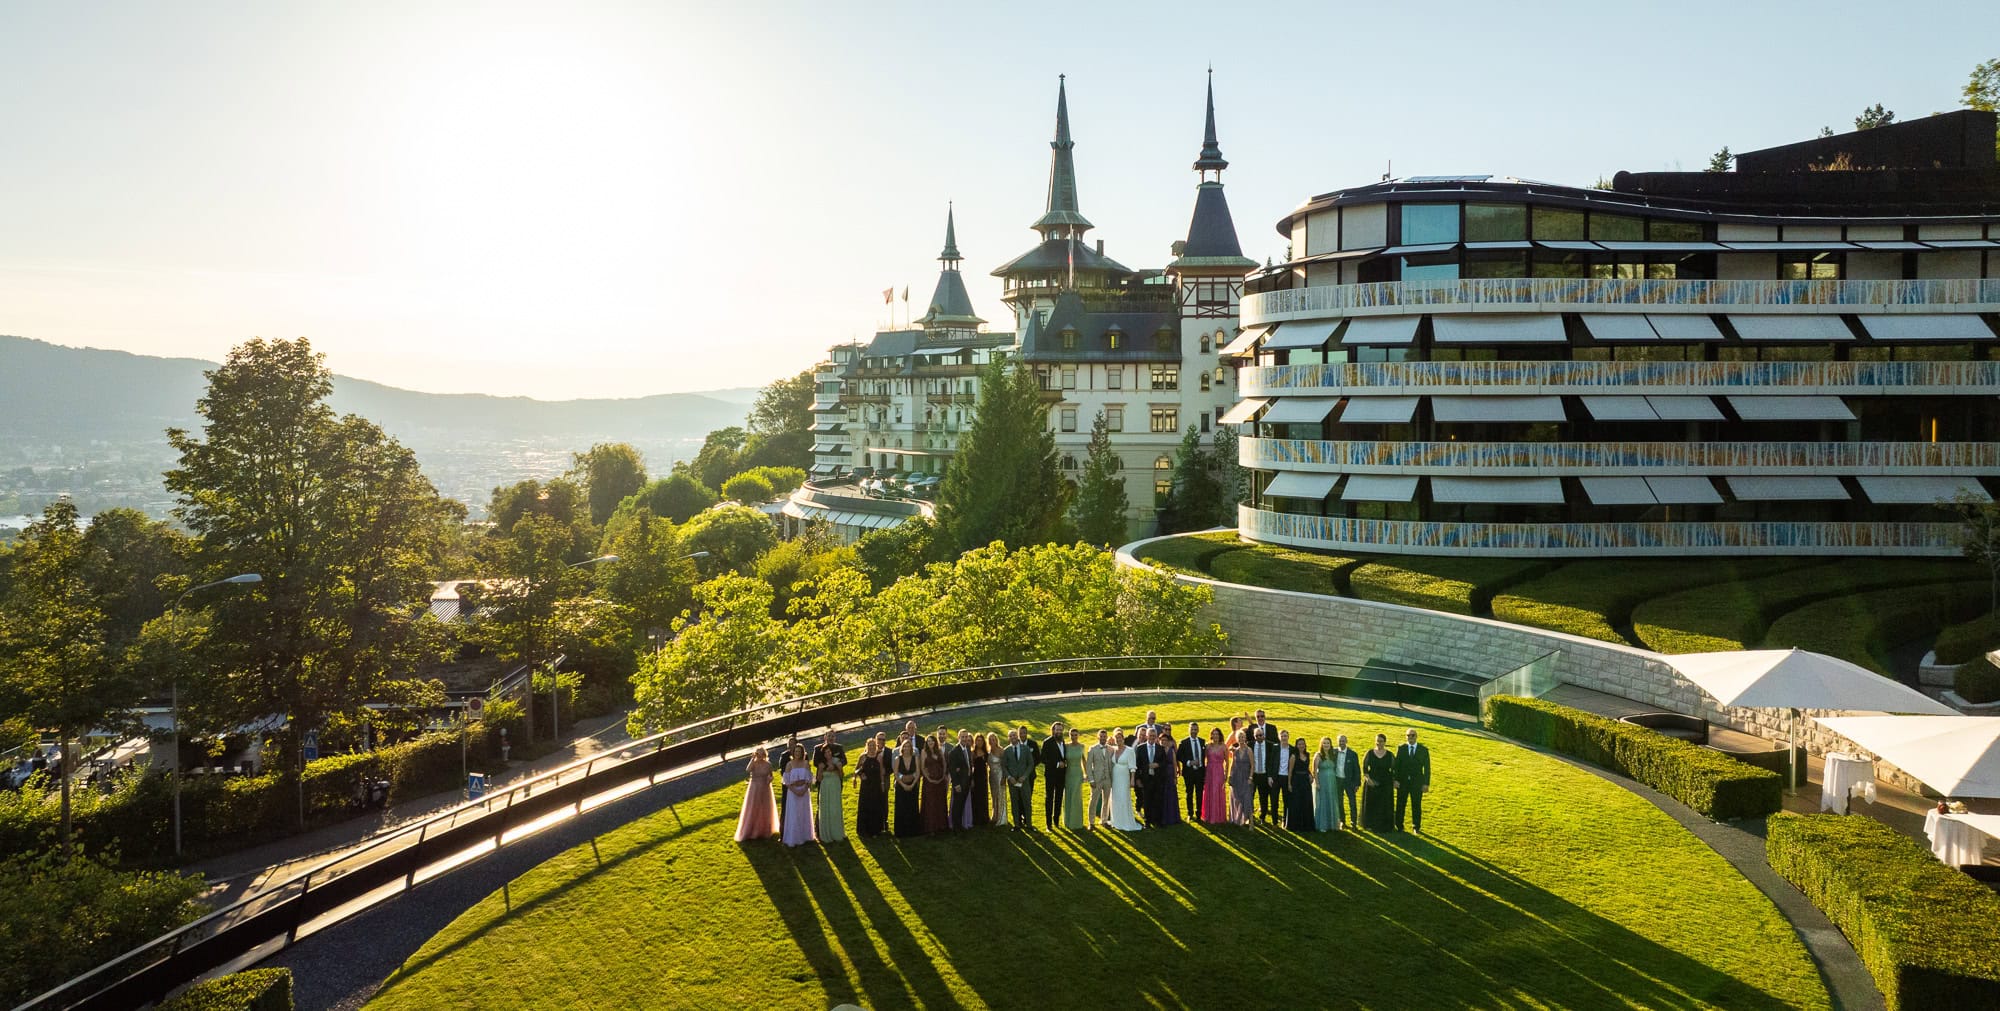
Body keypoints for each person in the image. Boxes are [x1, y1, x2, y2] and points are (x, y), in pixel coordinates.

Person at [735, 746, 779, 842]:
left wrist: (769, 780)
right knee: (753, 807)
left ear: (764, 755)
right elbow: (748, 770)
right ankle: (751, 830)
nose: (759, 756)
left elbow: (771, 775)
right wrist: (752, 759)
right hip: (754, 788)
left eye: (761, 754)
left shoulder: (768, 764)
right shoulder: (753, 763)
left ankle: (764, 830)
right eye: (757, 754)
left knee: (764, 808)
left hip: (765, 788)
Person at [1396, 728, 1432, 833]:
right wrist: (1396, 780)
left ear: (1416, 737)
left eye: (1412, 735)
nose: (1410, 737)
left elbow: (1427, 768)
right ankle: (1399, 825)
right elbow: (1397, 766)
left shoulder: (1423, 750)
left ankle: (1416, 826)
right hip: (1402, 782)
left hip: (1417, 783)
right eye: (1408, 735)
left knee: (1416, 805)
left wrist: (1426, 783)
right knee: (1401, 804)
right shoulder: (1401, 748)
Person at [814, 730, 847, 843]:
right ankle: (820, 831)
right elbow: (815, 762)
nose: (831, 738)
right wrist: (823, 767)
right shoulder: (818, 748)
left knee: (835, 807)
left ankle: (836, 830)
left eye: (833, 736)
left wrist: (837, 766)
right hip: (824, 782)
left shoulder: (839, 748)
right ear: (825, 737)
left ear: (835, 737)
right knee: (822, 807)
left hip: (835, 782)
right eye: (829, 736)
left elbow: (844, 760)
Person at [781, 744, 816, 847]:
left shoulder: (806, 763)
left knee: (803, 812)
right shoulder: (789, 764)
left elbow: (810, 779)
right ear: (793, 753)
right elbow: (786, 781)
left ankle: (805, 836)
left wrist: (804, 789)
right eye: (796, 751)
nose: (797, 753)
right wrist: (795, 791)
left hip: (804, 792)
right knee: (794, 814)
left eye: (799, 752)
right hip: (793, 792)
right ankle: (794, 837)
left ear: (802, 753)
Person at [1107, 730, 1143, 831]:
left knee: (1123, 798)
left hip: (1124, 778)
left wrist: (1132, 780)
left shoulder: (1129, 750)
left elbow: (1132, 767)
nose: (1118, 740)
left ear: (1123, 739)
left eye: (1120, 738)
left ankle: (1125, 821)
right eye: (1116, 738)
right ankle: (1116, 820)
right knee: (1114, 798)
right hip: (1115, 778)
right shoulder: (1113, 750)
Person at [1361, 732, 1396, 833]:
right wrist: (1368, 779)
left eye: (1381, 741)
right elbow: (1365, 768)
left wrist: (1393, 781)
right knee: (1372, 804)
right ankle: (1370, 824)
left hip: (1386, 783)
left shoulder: (1390, 755)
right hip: (1372, 783)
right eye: (1377, 741)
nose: (1379, 743)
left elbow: (1394, 769)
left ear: (1385, 742)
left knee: (1385, 804)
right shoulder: (1369, 753)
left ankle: (1384, 826)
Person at [1003, 728, 1035, 830]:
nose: (1013, 737)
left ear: (1017, 736)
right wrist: (1009, 777)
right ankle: (1016, 824)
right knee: (1014, 802)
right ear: (1008, 738)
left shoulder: (1025, 749)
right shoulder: (1006, 750)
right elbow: (1004, 766)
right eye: (1010, 736)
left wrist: (1025, 776)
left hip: (1024, 781)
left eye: (1014, 735)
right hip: (1012, 782)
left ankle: (1029, 824)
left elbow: (1031, 764)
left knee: (1027, 802)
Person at [855, 738, 887, 837]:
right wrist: (861, 775)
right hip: (866, 786)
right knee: (866, 807)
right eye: (870, 745)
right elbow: (856, 769)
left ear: (876, 746)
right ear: (867, 746)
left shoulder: (879, 757)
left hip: (876, 785)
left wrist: (882, 783)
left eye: (874, 745)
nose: (872, 747)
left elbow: (882, 771)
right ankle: (865, 830)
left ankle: (876, 829)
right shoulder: (863, 757)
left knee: (876, 806)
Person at [1329, 733, 1361, 829]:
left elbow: (1357, 770)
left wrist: (1357, 783)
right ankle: (1342, 821)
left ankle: (1353, 822)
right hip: (1338, 780)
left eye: (1343, 741)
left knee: (1352, 802)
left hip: (1349, 781)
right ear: (1337, 742)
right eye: (1340, 741)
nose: (1341, 743)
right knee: (1339, 801)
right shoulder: (1333, 752)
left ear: (1346, 742)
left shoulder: (1352, 754)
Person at [893, 736, 923, 837]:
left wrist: (913, 784)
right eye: (905, 746)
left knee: (912, 807)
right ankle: (901, 831)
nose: (906, 748)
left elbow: (918, 772)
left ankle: (913, 830)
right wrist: (903, 785)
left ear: (911, 748)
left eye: (908, 746)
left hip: (913, 786)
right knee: (902, 808)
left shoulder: (915, 758)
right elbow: (896, 774)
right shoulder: (898, 759)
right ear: (902, 747)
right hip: (901, 787)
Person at [1177, 721, 1207, 822]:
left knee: (1199, 793)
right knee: (1189, 793)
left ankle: (1199, 813)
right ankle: (1190, 813)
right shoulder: (1184, 742)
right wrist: (1189, 762)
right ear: (1189, 730)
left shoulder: (1202, 742)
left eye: (1195, 729)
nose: (1194, 731)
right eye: (1192, 729)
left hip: (1200, 772)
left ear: (1198, 730)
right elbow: (1179, 756)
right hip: (1189, 772)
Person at [920, 734, 950, 834]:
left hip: (940, 782)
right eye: (928, 741)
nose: (930, 743)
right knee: (931, 804)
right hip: (929, 783)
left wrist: (942, 777)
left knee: (940, 803)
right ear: (926, 743)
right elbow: (923, 767)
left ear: (935, 742)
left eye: (932, 741)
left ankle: (941, 826)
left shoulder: (939, 751)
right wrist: (929, 779)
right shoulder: (924, 752)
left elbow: (944, 764)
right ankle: (931, 827)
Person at [1040, 722, 1067, 830]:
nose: (1059, 732)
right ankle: (1049, 824)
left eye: (1060, 730)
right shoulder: (1047, 742)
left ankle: (1056, 821)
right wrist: (1056, 764)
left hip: (1061, 775)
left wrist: (1064, 763)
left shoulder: (1063, 741)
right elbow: (1043, 758)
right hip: (1051, 775)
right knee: (1049, 798)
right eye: (1057, 730)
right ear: (1053, 730)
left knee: (1059, 798)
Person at [1200, 728, 1230, 824]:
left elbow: (1227, 762)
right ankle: (1208, 815)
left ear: (1220, 735)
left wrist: (1226, 774)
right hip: (1209, 771)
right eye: (1214, 734)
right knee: (1209, 791)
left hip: (1219, 771)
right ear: (1211, 735)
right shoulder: (1208, 746)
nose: (1215, 736)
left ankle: (1218, 816)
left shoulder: (1224, 747)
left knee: (1217, 792)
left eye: (1217, 734)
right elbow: (1203, 759)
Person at [1313, 737, 1342, 832]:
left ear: (1330, 745)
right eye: (1324, 743)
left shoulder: (1332, 754)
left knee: (1332, 800)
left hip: (1332, 781)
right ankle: (1322, 825)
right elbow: (1314, 771)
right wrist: (1317, 783)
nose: (1326, 745)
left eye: (1328, 743)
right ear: (1321, 744)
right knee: (1323, 801)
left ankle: (1332, 824)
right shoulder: (1318, 755)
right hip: (1322, 780)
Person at [1085, 729, 1112, 829]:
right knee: (1093, 800)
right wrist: (1091, 780)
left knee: (1106, 800)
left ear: (1107, 737)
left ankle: (1104, 820)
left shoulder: (1110, 749)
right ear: (1098, 737)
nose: (1103, 738)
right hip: (1096, 780)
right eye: (1101, 736)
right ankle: (1091, 823)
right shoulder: (1092, 749)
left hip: (1107, 779)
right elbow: (1088, 766)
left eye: (1105, 737)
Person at [1156, 726, 1182, 827]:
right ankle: (1163, 817)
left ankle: (1172, 817)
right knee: (1162, 796)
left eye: (1165, 740)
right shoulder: (1158, 750)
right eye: (1162, 740)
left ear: (1168, 741)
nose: (1164, 742)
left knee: (1171, 796)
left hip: (1170, 774)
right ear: (1159, 741)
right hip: (1161, 775)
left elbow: (1175, 763)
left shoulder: (1171, 751)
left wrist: (1175, 777)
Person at [1287, 739, 1315, 832]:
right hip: (1296, 781)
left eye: (1303, 744)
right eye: (1299, 744)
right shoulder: (1293, 756)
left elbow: (1307, 768)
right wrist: (1289, 784)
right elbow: (1290, 771)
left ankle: (1306, 825)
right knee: (1297, 803)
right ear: (1296, 745)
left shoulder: (1307, 755)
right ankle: (1296, 826)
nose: (1301, 746)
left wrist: (1310, 775)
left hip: (1305, 782)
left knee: (1306, 802)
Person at [950, 730, 975, 829]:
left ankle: (961, 824)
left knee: (962, 804)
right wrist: (956, 784)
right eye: (962, 737)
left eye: (966, 737)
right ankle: (956, 827)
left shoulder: (968, 748)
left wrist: (971, 779)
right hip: (959, 784)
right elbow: (952, 770)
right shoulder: (954, 752)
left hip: (967, 782)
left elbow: (969, 764)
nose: (965, 739)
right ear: (958, 738)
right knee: (957, 806)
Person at [1228, 731, 1254, 825]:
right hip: (1236, 777)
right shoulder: (1236, 751)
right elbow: (1232, 764)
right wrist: (1230, 776)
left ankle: (1251, 822)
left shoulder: (1249, 750)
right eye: (1239, 737)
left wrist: (1251, 777)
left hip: (1246, 777)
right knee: (1237, 798)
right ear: (1237, 739)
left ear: (1245, 738)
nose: (1241, 739)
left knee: (1247, 799)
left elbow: (1252, 765)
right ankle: (1239, 818)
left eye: (1243, 737)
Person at [1062, 728, 1086, 830]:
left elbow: (1084, 761)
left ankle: (1076, 822)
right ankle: (1067, 821)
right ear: (1069, 736)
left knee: (1076, 797)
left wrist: (1086, 774)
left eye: (1075, 735)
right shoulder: (1066, 746)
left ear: (1078, 735)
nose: (1074, 737)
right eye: (1072, 735)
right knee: (1068, 796)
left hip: (1077, 774)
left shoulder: (1082, 746)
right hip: (1068, 774)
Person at [1250, 728, 1274, 825]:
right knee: (1250, 796)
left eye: (1261, 735)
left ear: (1264, 735)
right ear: (1254, 737)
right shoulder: (1250, 745)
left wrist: (1270, 776)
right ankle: (1250, 816)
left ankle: (1262, 817)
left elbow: (1272, 762)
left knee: (1263, 797)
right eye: (1257, 736)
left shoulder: (1270, 746)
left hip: (1264, 775)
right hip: (1254, 775)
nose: (1259, 737)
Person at [969, 732, 992, 828]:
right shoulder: (972, 753)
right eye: (977, 740)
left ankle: (984, 818)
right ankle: (976, 819)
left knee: (983, 797)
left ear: (983, 742)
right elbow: (970, 767)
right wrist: (972, 779)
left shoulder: (986, 753)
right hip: (975, 778)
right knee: (975, 798)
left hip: (983, 778)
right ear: (975, 741)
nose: (979, 742)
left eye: (981, 740)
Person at [985, 731, 1007, 826]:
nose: (992, 741)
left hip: (1000, 775)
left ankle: (1001, 817)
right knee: (994, 796)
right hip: (992, 776)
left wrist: (1004, 777)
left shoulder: (1001, 750)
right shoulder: (988, 751)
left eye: (993, 739)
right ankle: (994, 815)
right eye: (990, 740)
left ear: (996, 740)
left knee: (1000, 796)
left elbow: (1005, 765)